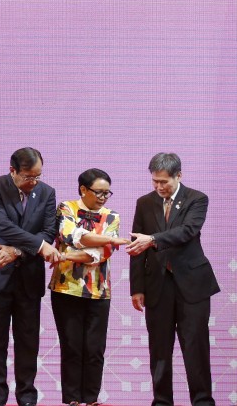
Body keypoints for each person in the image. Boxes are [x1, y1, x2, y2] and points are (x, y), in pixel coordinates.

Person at [0, 147, 60, 406]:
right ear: (13, 171)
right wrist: (39, 247)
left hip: (28, 276)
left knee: (28, 340)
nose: (34, 182)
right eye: (28, 177)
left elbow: (49, 230)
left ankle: (27, 397)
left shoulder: (46, 192)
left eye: (38, 176)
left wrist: (18, 250)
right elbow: (1, 225)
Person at [126, 152, 219, 406]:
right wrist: (137, 288)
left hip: (192, 285)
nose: (159, 187)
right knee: (159, 349)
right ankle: (162, 401)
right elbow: (137, 248)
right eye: (155, 181)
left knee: (195, 348)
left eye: (164, 182)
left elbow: (188, 231)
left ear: (179, 175)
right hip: (157, 286)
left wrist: (153, 239)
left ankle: (202, 401)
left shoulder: (197, 199)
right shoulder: (144, 202)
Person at [49, 169, 130, 406]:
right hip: (66, 288)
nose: (104, 197)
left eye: (107, 193)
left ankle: (92, 399)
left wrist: (66, 256)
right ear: (83, 190)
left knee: (95, 349)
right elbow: (70, 235)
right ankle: (72, 400)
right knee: (72, 346)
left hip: (99, 291)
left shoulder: (112, 216)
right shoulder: (66, 208)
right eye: (99, 192)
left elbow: (100, 254)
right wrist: (107, 238)